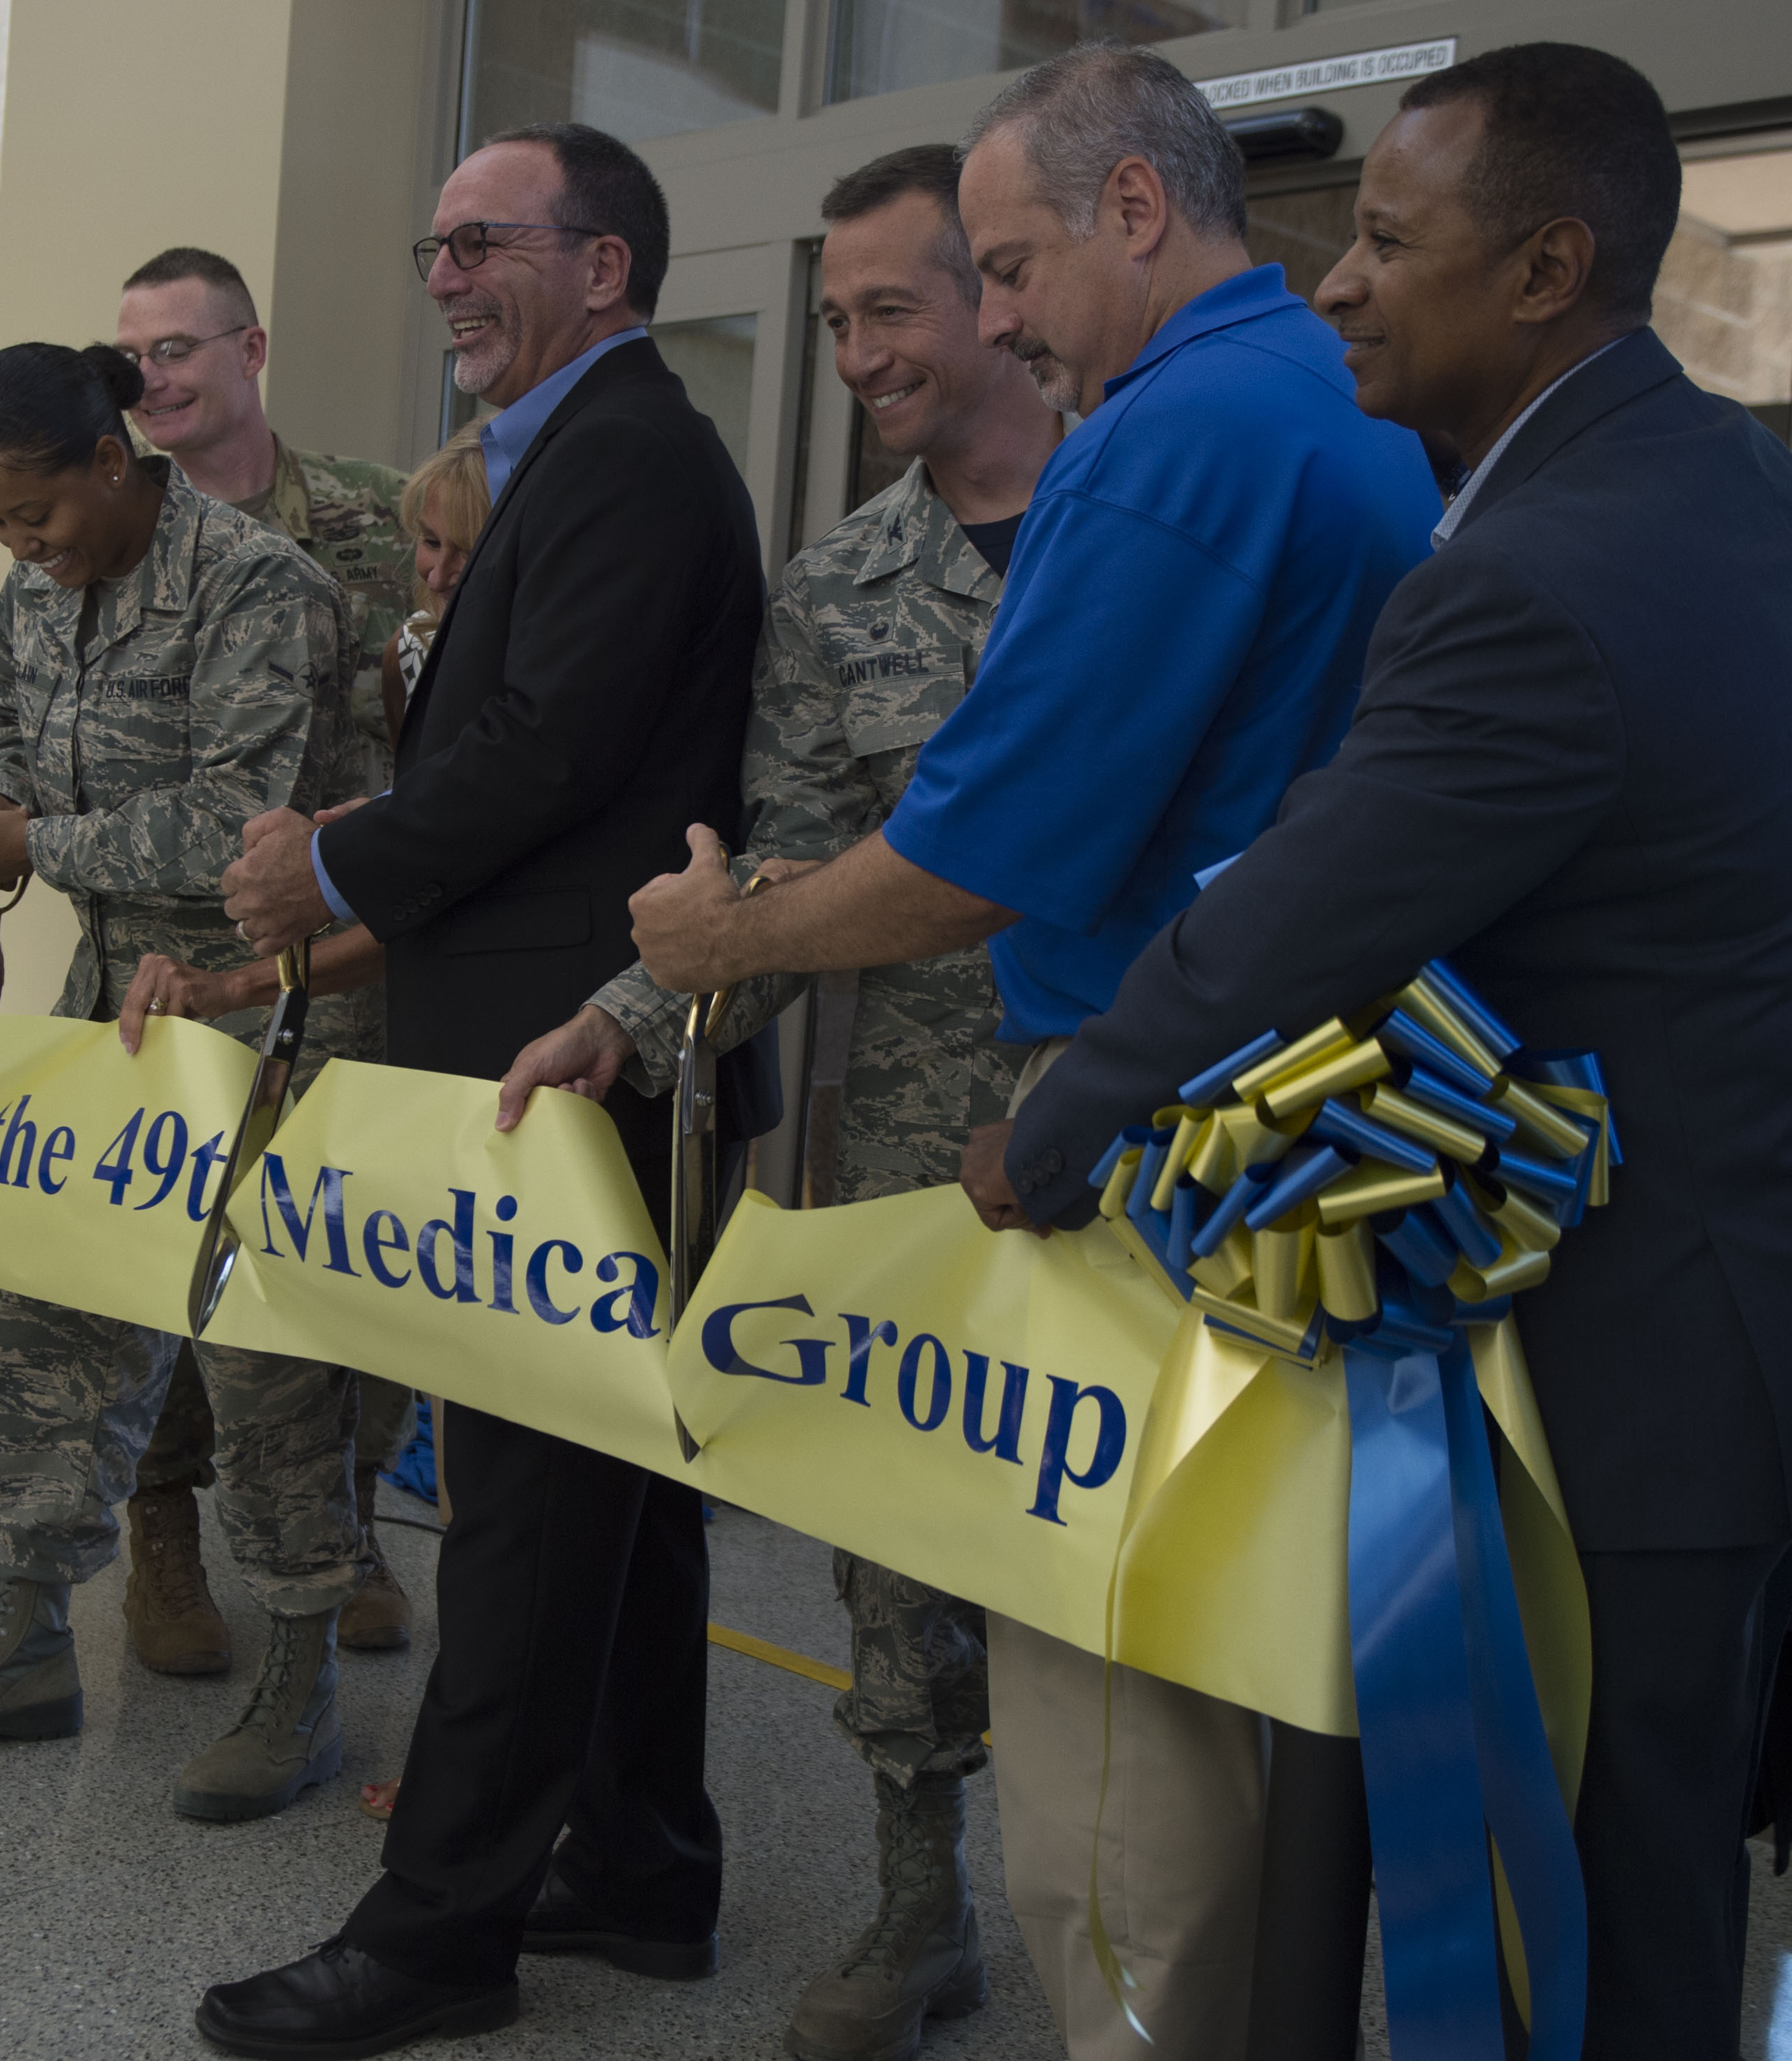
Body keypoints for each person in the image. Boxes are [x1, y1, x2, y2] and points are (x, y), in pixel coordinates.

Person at [963, 46, 1792, 2056]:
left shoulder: (1538, 580)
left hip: (1661, 1339)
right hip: (1772, 1285)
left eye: (1394, 241)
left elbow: (1304, 909)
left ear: (1550, 265)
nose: (1340, 286)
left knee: (1604, 1888)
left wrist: (1056, 1139)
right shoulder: (1746, 490)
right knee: (1635, 1854)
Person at [626, 46, 1441, 2058]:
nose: (997, 319)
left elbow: (1000, 837)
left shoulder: (1173, 435)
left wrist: (728, 933)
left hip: (1166, 1150)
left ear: (1137, 214)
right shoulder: (1326, 411)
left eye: (1005, 268)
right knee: (1224, 1730)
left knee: (1121, 1773)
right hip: (1289, 1133)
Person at [495, 141, 1061, 2061]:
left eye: (891, 310)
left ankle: (1175, 1928)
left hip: (1167, 1136)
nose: (856, 355)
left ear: (1005, 292)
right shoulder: (838, 587)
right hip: (911, 1148)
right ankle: (921, 1905)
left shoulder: (1153, 525)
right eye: (834, 323)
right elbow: (779, 868)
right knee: (906, 1526)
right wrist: (629, 1015)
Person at [205, 121, 763, 2056]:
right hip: (557, 1055)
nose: (441, 276)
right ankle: (643, 1860)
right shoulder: (578, 455)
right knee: (621, 1494)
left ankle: (442, 1931)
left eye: (481, 243)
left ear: (603, 268)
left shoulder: (625, 458)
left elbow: (543, 752)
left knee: (529, 1506)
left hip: (571, 1066)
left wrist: (333, 867)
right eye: (432, 245)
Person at [0, 342, 383, 1842]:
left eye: (41, 517)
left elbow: (241, 825)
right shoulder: (34, 595)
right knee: (53, 1315)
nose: (25, 549)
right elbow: (14, 733)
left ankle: (299, 1676)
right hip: (118, 1011)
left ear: (108, 460)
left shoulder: (257, 587)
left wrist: (41, 849)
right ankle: (23, 1633)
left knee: (270, 1354)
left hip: (274, 1012)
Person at [112, 245, 419, 1674]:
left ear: (251, 350)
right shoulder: (114, 530)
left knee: (336, 1247)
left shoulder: (372, 515)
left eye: (182, 347)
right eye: (136, 360)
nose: (156, 379)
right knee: (170, 1256)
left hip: (340, 958)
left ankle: (344, 1523)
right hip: (167, 958)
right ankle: (162, 1531)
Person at [387, 425, 490, 735]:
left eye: (470, 550)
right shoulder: (410, 647)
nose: (437, 578)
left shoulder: (553, 667)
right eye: (431, 543)